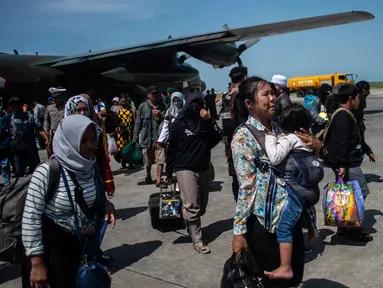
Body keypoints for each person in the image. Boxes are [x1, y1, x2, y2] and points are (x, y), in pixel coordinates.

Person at [21, 114, 116, 288]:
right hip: (53, 256)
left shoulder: (90, 167)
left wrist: (106, 205)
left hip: (82, 252)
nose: (90, 145)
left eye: (93, 139)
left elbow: (93, 197)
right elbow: (30, 218)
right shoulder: (48, 171)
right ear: (68, 140)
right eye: (83, 140)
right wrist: (36, 263)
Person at [231, 77, 305, 287]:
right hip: (267, 224)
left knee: (295, 277)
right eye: (266, 94)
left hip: (291, 218)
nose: (273, 98)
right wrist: (239, 231)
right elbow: (247, 187)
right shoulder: (244, 137)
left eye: (273, 93)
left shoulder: (278, 128)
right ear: (249, 104)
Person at [263, 103, 323, 280]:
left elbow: (274, 158)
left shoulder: (288, 139)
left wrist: (269, 138)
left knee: (284, 227)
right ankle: (312, 229)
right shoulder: (307, 139)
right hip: (310, 191)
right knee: (303, 207)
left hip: (295, 190)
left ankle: (285, 266)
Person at [166, 94, 222, 254]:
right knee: (192, 205)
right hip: (185, 167)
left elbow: (218, 136)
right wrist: (168, 172)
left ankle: (190, 222)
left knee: (201, 205)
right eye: (193, 104)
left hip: (203, 167)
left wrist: (210, 120)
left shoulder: (205, 123)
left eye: (199, 104)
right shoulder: (178, 124)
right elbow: (172, 149)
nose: (196, 107)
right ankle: (197, 239)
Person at [323, 83, 373, 242]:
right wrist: (343, 165)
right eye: (358, 98)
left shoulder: (342, 113)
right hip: (349, 163)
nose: (360, 101)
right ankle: (353, 228)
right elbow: (342, 143)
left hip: (347, 162)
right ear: (351, 99)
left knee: (346, 193)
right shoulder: (344, 116)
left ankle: (343, 227)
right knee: (359, 193)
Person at [65, 95, 115, 198]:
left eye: (85, 109)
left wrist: (109, 183)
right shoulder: (64, 133)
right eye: (78, 110)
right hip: (70, 178)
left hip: (92, 176)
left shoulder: (95, 131)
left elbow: (101, 158)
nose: (82, 113)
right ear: (70, 111)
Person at [221, 66, 248, 201]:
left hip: (230, 144)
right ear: (244, 78)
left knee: (235, 178)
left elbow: (225, 123)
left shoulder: (226, 97)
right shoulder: (242, 96)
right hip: (244, 144)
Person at [3, 97, 49, 177]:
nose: (15, 106)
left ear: (21, 105)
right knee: (19, 171)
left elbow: (39, 128)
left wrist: (46, 139)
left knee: (35, 170)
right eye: (12, 105)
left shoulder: (30, 116)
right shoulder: (8, 117)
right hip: (17, 149)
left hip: (30, 147)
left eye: (16, 104)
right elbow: (2, 130)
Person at [132, 86, 164, 184]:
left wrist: (160, 115)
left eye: (156, 93)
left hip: (159, 138)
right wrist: (135, 138)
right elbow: (138, 123)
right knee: (148, 160)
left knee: (160, 159)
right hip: (147, 138)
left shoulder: (162, 105)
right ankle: (148, 175)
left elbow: (166, 120)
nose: (155, 95)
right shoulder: (142, 107)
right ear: (148, 95)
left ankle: (159, 178)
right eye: (153, 93)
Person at [156, 92, 185, 186]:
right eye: (174, 100)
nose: (176, 102)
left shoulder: (186, 111)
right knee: (170, 159)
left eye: (178, 100)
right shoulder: (169, 112)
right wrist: (160, 140)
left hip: (184, 140)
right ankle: (168, 176)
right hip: (172, 139)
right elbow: (165, 127)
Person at [355, 81, 376, 162]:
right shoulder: (348, 119)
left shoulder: (361, 101)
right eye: (364, 94)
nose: (366, 96)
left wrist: (368, 151)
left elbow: (361, 140)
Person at [44, 87, 68, 157]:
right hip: (53, 134)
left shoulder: (67, 107)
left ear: (62, 97)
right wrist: (46, 133)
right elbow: (46, 120)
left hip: (64, 134)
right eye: (53, 98)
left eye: (56, 98)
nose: (54, 100)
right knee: (53, 153)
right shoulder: (49, 108)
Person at [115, 94, 135, 169]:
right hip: (120, 131)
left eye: (124, 101)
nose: (123, 103)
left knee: (129, 147)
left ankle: (130, 163)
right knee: (122, 147)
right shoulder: (117, 110)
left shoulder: (131, 110)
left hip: (129, 130)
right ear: (119, 102)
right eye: (121, 101)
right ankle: (123, 162)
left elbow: (133, 121)